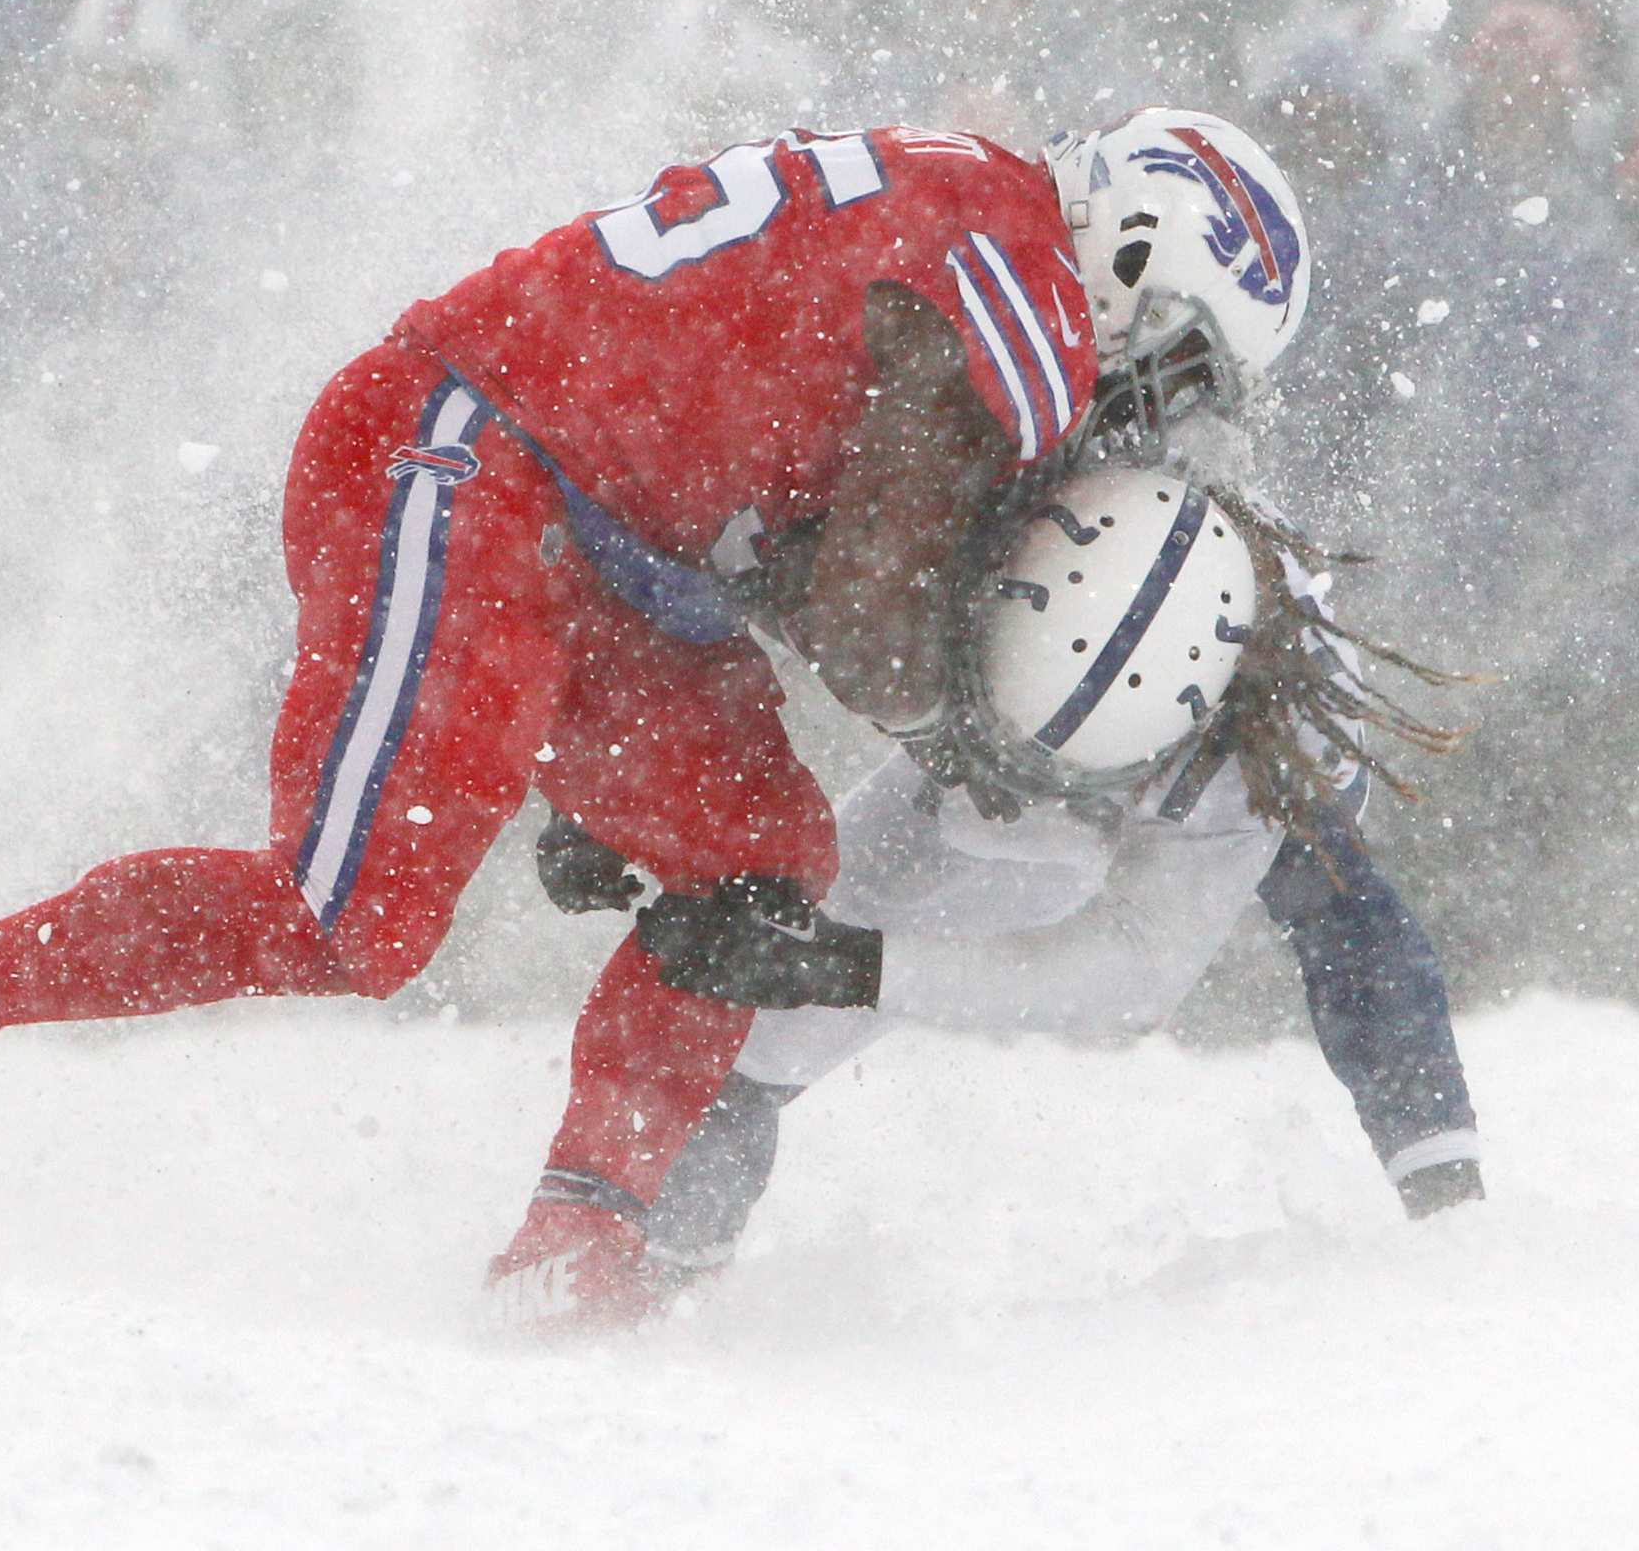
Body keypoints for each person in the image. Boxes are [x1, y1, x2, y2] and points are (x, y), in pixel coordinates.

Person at [0, 110, 1313, 1304]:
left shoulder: (962, 190)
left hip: (586, 522)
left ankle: (582, 1237)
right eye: (1175, 365)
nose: (1144, 413)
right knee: (354, 918)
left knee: (759, 852)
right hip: (469, 462)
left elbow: (739, 409)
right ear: (1143, 260)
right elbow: (865, 606)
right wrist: (999, 737)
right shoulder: (1023, 301)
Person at [509, 458, 1481, 1329]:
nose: (1012, 782)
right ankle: (641, 1282)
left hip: (1111, 829)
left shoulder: (1258, 770)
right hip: (967, 709)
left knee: (785, 998)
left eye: (1063, 766)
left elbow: (1142, 970)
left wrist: (858, 967)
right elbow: (695, 544)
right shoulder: (959, 480)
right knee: (752, 1020)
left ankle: (651, 1295)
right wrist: (607, 782)